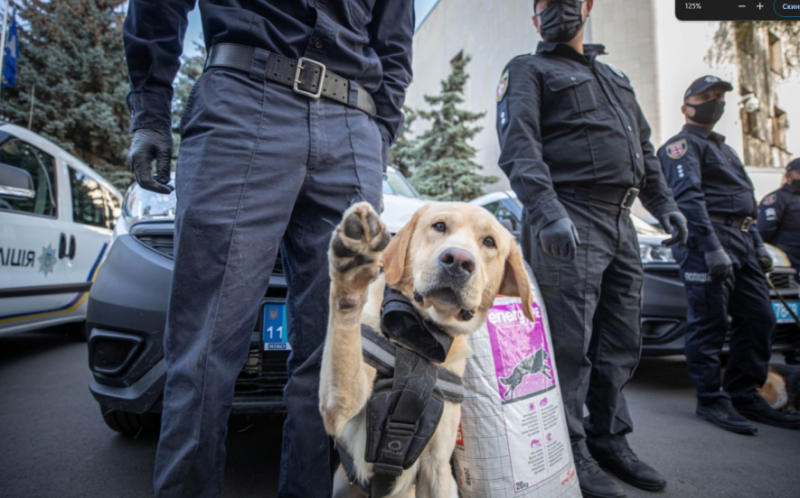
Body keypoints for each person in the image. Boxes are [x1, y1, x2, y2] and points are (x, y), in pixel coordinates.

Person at [122, 1, 414, 497]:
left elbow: (395, 44)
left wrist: (375, 135)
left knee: (334, 355)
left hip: (352, 127)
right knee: (205, 350)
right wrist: (150, 109)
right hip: (242, 99)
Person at [496, 1, 688, 496]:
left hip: (621, 221)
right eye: (544, 5)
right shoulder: (527, 70)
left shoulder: (615, 79)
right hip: (570, 214)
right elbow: (520, 145)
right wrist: (547, 211)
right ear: (534, 19)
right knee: (567, 345)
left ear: (588, 7)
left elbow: (643, 151)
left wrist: (663, 205)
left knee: (620, 340)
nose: (558, 10)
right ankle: (568, 447)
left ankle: (608, 439)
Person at [658, 75, 800, 436]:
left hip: (740, 241)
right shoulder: (682, 146)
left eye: (719, 96)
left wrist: (756, 247)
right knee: (710, 323)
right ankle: (710, 399)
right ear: (686, 106)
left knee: (759, 318)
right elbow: (689, 200)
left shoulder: (724, 148)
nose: (714, 102)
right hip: (708, 240)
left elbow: (746, 205)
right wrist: (711, 249)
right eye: (706, 96)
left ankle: (744, 393)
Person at [757, 159, 800, 365]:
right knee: (780, 313)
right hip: (787, 267)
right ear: (789, 174)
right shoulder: (777, 199)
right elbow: (764, 233)